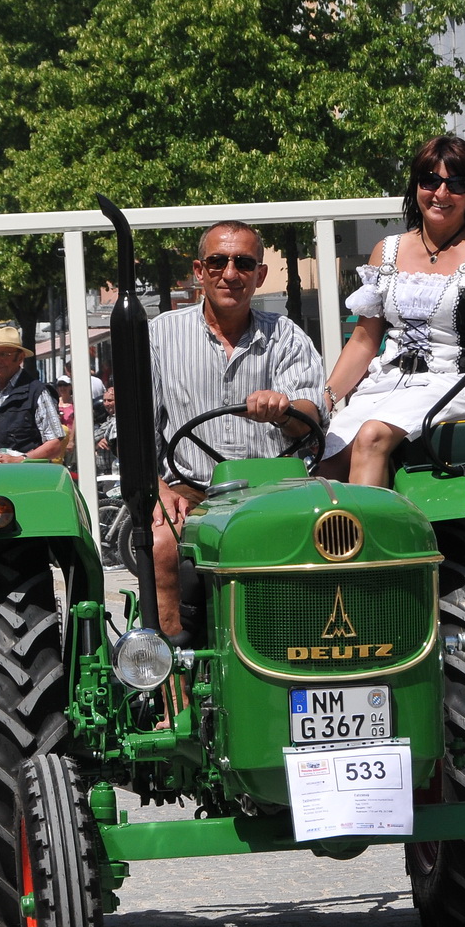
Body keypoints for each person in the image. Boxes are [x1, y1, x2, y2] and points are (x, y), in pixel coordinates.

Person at [321, 136, 465, 486]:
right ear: (416, 187)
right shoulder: (386, 251)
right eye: (430, 181)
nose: (441, 193)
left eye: (456, 184)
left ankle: (369, 541)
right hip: (387, 382)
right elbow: (363, 341)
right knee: (326, 455)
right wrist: (326, 399)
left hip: (454, 382)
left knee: (371, 437)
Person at [149, 218, 325, 636]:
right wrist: (157, 489)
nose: (230, 274)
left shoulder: (287, 337)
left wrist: (284, 411)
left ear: (260, 275)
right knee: (159, 544)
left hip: (274, 490)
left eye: (244, 263)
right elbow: (138, 428)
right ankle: (173, 674)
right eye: (217, 262)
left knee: (335, 538)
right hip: (190, 489)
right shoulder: (159, 335)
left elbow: (310, 415)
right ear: (199, 271)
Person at [0, 326, 64, 465]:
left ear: (20, 358)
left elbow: (54, 444)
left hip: (25, 478)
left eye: (4, 354)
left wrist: (20, 459)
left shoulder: (37, 392)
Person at [94, 385, 118, 475]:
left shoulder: (115, 420)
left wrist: (106, 439)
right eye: (104, 400)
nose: (106, 404)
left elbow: (95, 435)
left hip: (115, 471)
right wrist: (97, 443)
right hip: (105, 472)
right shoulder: (108, 419)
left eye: (110, 400)